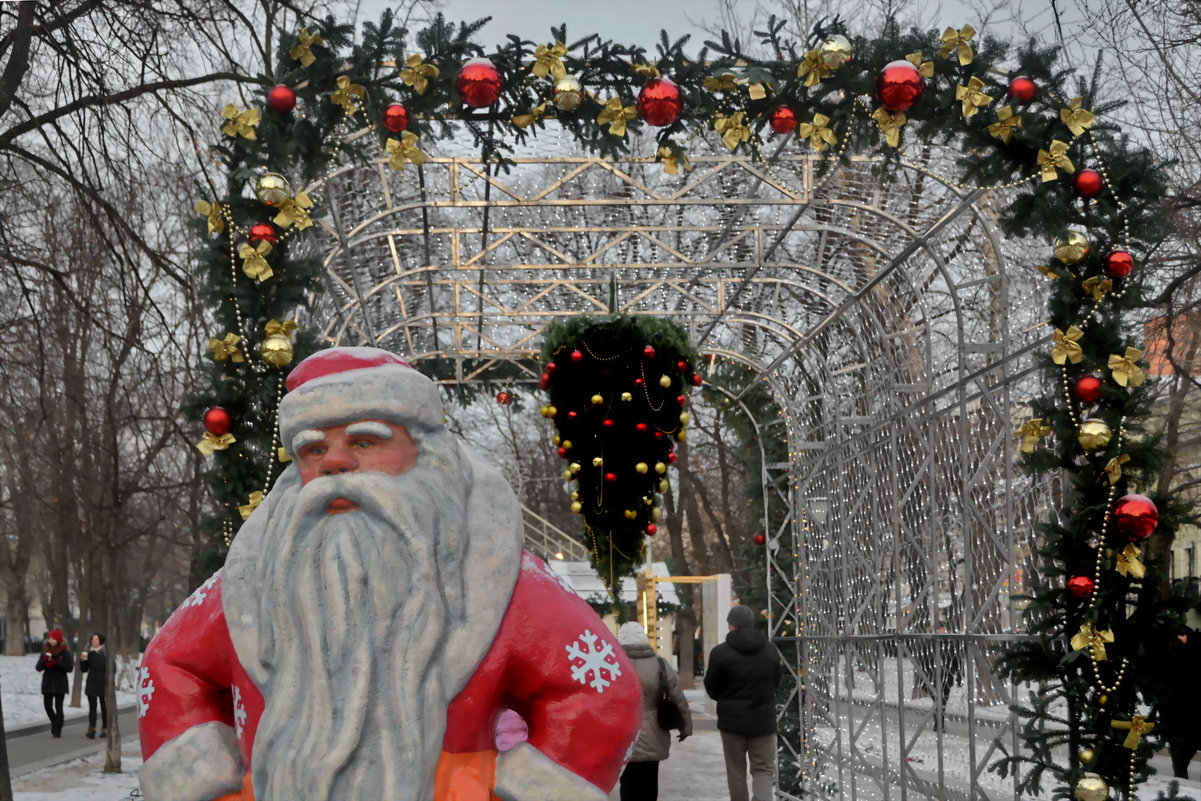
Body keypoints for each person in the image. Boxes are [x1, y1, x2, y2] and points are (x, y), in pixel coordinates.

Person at [137, 347, 642, 801]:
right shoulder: (250, 583)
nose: (335, 462)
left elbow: (600, 690)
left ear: (427, 454)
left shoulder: (498, 579)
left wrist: (500, 785)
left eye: (365, 441)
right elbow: (169, 668)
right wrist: (211, 783)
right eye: (314, 449)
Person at [704, 605, 782, 801]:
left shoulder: (720, 653)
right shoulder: (770, 650)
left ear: (731, 626)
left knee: (736, 771)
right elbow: (776, 682)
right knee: (763, 769)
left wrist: (725, 699)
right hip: (763, 722)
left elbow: (711, 686)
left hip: (732, 723)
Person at [617, 622, 692, 801]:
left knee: (627, 783)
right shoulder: (660, 665)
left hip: (624, 735)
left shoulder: (614, 664)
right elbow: (678, 698)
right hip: (654, 733)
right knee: (650, 783)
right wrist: (686, 727)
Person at [35, 629, 73, 738]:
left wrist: (56, 662)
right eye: (50, 638)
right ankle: (55, 722)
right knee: (47, 707)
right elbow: (38, 668)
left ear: (58, 640)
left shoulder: (64, 652)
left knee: (58, 706)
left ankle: (58, 730)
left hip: (60, 682)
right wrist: (44, 660)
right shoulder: (45, 651)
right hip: (47, 682)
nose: (51, 640)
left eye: (53, 639)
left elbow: (69, 668)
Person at [80, 632, 108, 738]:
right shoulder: (88, 652)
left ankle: (105, 728)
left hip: (103, 681)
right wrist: (83, 661)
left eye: (96, 639)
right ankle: (92, 729)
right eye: (92, 639)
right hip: (91, 681)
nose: (94, 641)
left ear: (100, 641)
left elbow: (112, 668)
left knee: (104, 706)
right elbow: (83, 669)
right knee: (92, 707)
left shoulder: (105, 653)